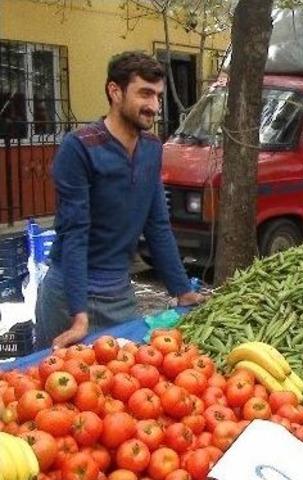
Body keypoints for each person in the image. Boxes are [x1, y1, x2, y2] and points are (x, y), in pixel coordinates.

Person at [35, 52, 205, 350]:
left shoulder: (152, 148)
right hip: (69, 296)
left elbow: (157, 226)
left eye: (158, 96)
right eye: (145, 94)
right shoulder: (80, 148)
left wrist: (182, 290)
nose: (154, 106)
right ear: (115, 91)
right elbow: (75, 233)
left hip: (118, 293)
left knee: (122, 386)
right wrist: (78, 316)